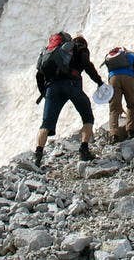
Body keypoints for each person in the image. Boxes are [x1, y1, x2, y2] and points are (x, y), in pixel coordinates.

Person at [33, 32, 103, 166]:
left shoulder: (51, 52)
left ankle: (38, 157)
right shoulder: (80, 48)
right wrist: (99, 82)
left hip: (52, 88)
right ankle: (84, 151)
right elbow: (87, 65)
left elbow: (39, 75)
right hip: (72, 85)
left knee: (46, 124)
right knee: (87, 117)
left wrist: (45, 92)